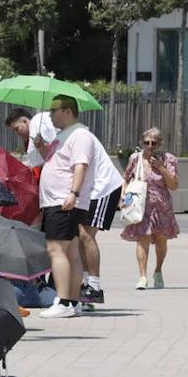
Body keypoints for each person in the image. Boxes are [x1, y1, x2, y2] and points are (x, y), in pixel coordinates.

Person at [36, 95, 93, 319]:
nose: (50, 115)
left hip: (64, 201)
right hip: (57, 200)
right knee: (70, 251)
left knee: (55, 249)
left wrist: (74, 193)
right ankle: (72, 300)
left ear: (67, 111)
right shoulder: (63, 136)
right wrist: (42, 149)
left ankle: (64, 301)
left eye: (54, 110)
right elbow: (56, 163)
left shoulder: (79, 135)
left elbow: (80, 166)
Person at [121, 127, 179, 290]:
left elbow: (174, 185)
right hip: (141, 205)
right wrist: (123, 197)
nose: (150, 146)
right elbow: (125, 178)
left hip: (162, 206)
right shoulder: (135, 158)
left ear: (160, 143)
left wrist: (161, 168)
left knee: (161, 241)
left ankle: (158, 270)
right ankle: (143, 277)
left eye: (154, 143)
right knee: (142, 239)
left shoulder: (169, 159)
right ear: (142, 143)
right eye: (147, 142)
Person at [77, 124, 123, 306]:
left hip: (102, 188)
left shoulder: (79, 135)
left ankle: (94, 287)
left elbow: (80, 166)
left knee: (86, 234)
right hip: (88, 190)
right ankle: (86, 285)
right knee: (80, 234)